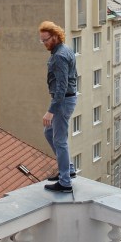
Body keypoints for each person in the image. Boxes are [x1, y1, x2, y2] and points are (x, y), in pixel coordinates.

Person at [39, 21, 77, 192]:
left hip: (62, 101)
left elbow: (62, 87)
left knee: (60, 141)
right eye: (42, 41)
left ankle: (65, 182)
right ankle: (68, 169)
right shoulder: (64, 49)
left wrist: (50, 111)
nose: (44, 43)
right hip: (65, 99)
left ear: (55, 37)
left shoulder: (60, 56)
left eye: (46, 40)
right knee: (49, 132)